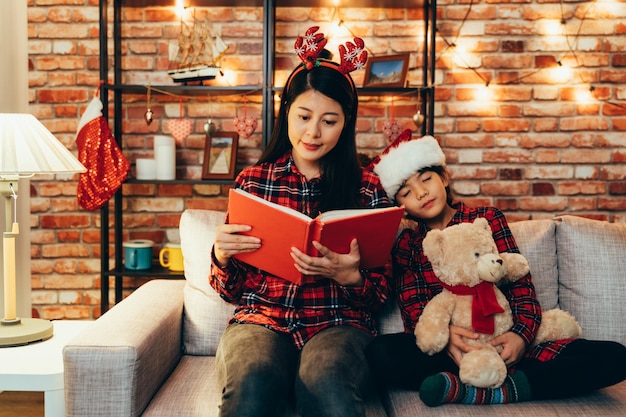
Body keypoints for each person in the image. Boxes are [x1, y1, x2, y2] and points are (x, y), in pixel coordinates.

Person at [365, 131, 626, 407]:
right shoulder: (409, 244)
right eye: (406, 191)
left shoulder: (486, 219)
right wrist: (448, 339)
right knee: (381, 353)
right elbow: (413, 308)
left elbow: (520, 283)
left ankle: (500, 388)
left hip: (506, 340)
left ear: (444, 178)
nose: (421, 192)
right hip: (455, 351)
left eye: (426, 179)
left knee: (614, 357)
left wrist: (520, 336)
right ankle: (472, 376)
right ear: (401, 206)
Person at [209, 27, 391, 417]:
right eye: (304, 116)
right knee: (252, 387)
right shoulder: (252, 182)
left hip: (339, 322)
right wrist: (221, 256)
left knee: (328, 387)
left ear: (346, 124)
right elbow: (229, 291)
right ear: (286, 111)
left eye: (329, 120)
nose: (313, 132)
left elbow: (382, 295)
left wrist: (351, 277)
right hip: (262, 319)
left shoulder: (369, 189)